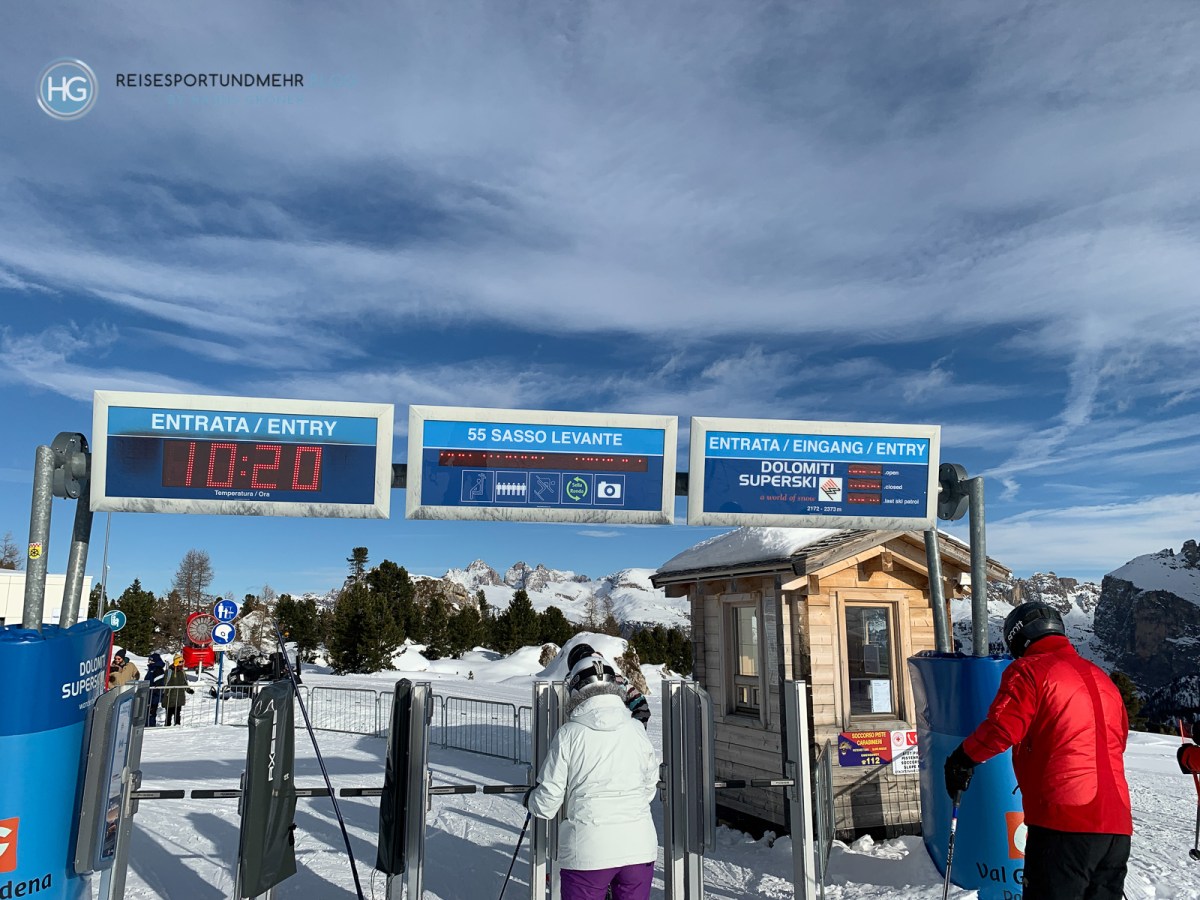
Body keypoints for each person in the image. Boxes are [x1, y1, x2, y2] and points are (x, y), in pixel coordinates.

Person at [944, 601, 1133, 900]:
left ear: (1018, 638)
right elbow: (1117, 741)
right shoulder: (1102, 678)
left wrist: (961, 759)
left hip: (1063, 821)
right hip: (1117, 826)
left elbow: (1002, 728)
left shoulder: (1030, 670)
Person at [567, 643, 650, 728]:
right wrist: (637, 729)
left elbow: (639, 703)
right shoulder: (613, 676)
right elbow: (640, 704)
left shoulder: (613, 678)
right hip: (618, 727)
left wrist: (637, 728)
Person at [163, 654, 194, 726]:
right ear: (176, 662)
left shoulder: (182, 672)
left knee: (177, 713)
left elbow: (184, 682)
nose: (182, 664)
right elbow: (165, 682)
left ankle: (177, 726)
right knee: (169, 713)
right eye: (180, 662)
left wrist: (188, 689)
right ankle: (167, 726)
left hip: (179, 696)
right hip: (170, 696)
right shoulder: (169, 671)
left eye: (182, 662)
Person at [144, 652, 167, 726]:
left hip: (154, 695)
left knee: (151, 712)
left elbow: (158, 684)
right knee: (147, 711)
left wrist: (156, 695)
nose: (149, 662)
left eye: (151, 661)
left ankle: (150, 725)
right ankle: (147, 724)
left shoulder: (158, 670)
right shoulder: (151, 669)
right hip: (149, 694)